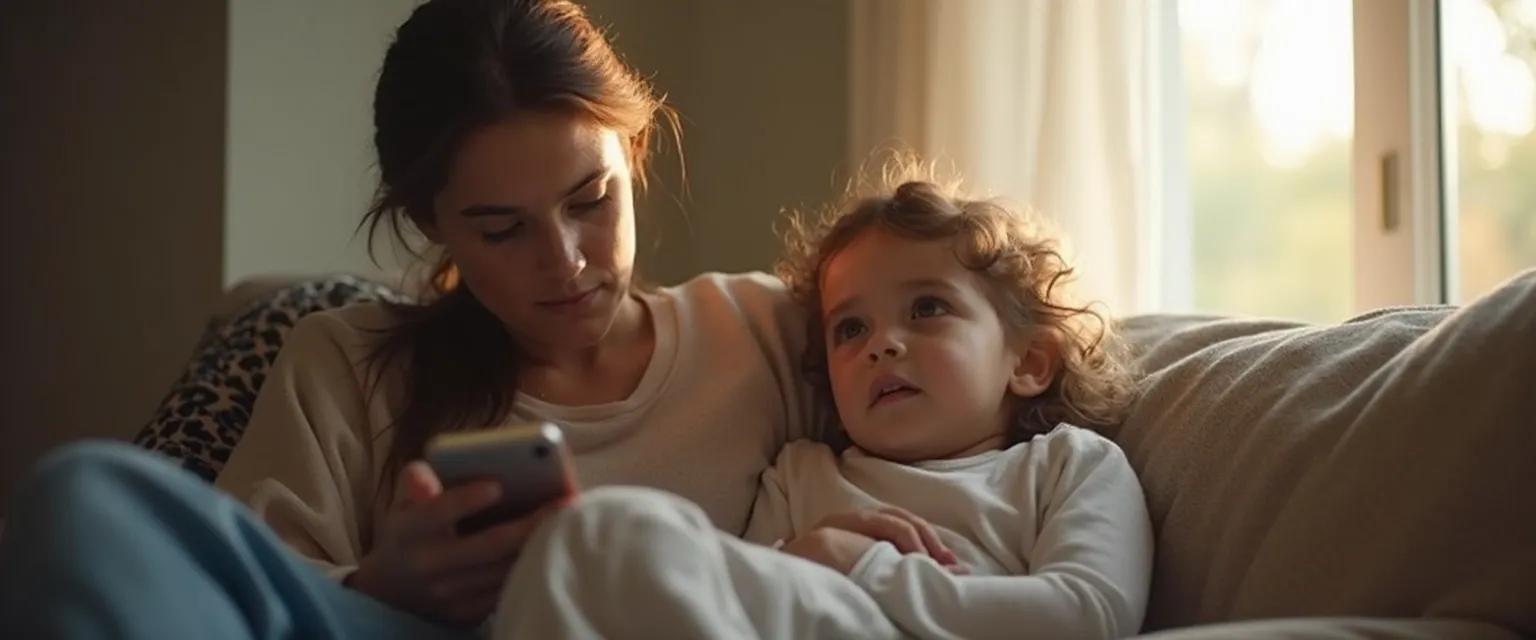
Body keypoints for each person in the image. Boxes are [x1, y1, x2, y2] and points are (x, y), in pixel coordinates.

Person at [0, 1, 959, 637]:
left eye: (592, 200)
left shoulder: (766, 328)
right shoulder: (347, 361)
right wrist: (382, 585)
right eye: (501, 229)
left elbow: (952, 457)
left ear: (634, 156)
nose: (568, 261)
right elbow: (256, 594)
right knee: (86, 492)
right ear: (434, 226)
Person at [488, 163, 1155, 639]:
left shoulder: (1069, 466)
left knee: (604, 532)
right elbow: (735, 596)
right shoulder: (802, 473)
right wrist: (801, 555)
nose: (882, 345)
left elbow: (1090, 613)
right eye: (850, 328)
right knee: (595, 540)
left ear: (1030, 361)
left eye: (927, 309)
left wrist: (857, 565)